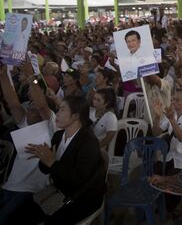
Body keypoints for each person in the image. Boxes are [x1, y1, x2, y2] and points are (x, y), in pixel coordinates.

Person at [15, 96, 106, 225]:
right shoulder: (58, 136)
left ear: (75, 116)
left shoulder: (89, 142)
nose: (57, 113)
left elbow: (79, 179)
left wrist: (52, 162)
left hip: (84, 196)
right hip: (60, 190)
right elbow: (45, 170)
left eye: (62, 110)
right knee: (19, 215)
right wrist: (43, 158)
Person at [0, 64, 56, 223]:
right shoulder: (25, 121)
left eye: (34, 108)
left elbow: (42, 105)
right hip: (10, 184)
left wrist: (32, 77)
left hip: (30, 190)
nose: (30, 110)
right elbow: (12, 102)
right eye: (29, 108)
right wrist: (3, 76)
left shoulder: (50, 125)